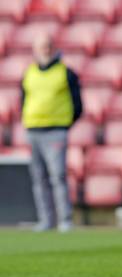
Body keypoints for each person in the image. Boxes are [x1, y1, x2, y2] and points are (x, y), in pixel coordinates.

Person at [21, 34, 82, 232]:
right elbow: (23, 99)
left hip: (56, 131)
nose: (45, 50)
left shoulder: (66, 72)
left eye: (47, 46)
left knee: (58, 176)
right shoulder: (29, 72)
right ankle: (45, 220)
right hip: (33, 131)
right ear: (35, 50)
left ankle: (65, 220)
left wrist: (65, 124)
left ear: (53, 47)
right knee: (39, 178)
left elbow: (77, 103)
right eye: (41, 47)